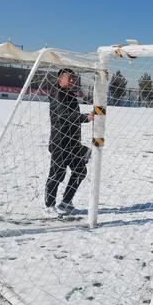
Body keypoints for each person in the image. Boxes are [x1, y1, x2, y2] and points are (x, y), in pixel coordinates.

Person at [45, 68, 94, 215]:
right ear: (61, 79)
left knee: (80, 171)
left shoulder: (71, 95)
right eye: (69, 78)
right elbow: (63, 116)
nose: (72, 80)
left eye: (74, 78)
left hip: (72, 142)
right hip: (59, 142)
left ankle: (66, 202)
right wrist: (85, 117)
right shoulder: (56, 94)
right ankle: (49, 205)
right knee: (57, 174)